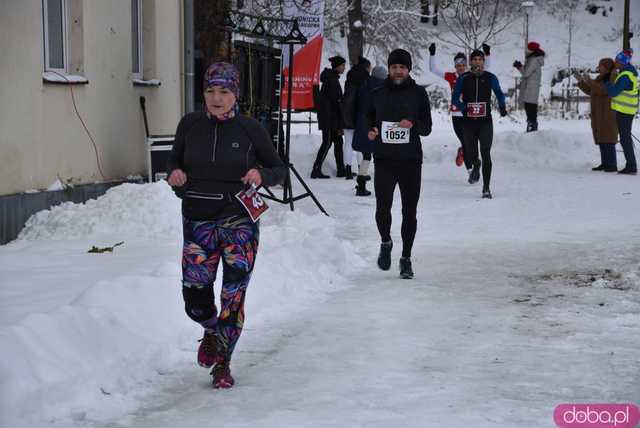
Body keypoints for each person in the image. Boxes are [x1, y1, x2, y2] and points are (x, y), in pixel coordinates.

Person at [166, 62, 286, 389]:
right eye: (210, 90)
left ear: (236, 94)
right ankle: (210, 329)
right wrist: (175, 176)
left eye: (225, 91)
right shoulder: (189, 125)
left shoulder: (250, 129)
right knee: (195, 297)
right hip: (198, 223)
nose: (216, 98)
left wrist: (262, 175)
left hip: (239, 225)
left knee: (233, 295)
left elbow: (279, 168)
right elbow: (174, 162)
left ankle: (224, 364)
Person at [366, 49, 432, 279]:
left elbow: (427, 127)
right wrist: (371, 130)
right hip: (384, 160)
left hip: (411, 161)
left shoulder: (418, 94)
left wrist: (412, 124)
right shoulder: (378, 93)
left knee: (409, 211)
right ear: (390, 69)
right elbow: (367, 118)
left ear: (408, 70)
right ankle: (386, 241)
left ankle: (406, 258)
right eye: (394, 67)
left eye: (402, 67)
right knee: (382, 208)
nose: (398, 71)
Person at [452, 49, 507, 199]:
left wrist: (502, 106)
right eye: (474, 59)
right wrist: (464, 109)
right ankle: (476, 164)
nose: (477, 62)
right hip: (468, 123)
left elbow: (499, 92)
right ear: (470, 62)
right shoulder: (463, 78)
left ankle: (486, 188)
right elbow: (455, 98)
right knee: (472, 153)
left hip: (485, 122)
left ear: (483, 62)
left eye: (479, 59)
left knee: (486, 153)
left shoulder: (490, 77)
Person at [429, 42, 491, 171]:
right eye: (458, 65)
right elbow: (433, 70)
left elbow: (487, 70)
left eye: (463, 65)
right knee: (465, 142)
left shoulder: (471, 75)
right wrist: (432, 54)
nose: (461, 67)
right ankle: (470, 169)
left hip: (468, 114)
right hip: (456, 115)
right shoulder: (451, 77)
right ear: (455, 66)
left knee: (469, 143)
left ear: (466, 65)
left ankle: (470, 164)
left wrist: (487, 55)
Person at [575, 58, 619, 172]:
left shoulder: (612, 78)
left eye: (600, 66)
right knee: (601, 138)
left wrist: (590, 81)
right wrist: (581, 82)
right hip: (599, 112)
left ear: (607, 67)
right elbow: (592, 91)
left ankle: (612, 164)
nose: (598, 67)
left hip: (608, 112)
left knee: (608, 139)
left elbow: (603, 91)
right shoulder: (600, 78)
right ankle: (605, 163)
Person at [352, 65, 387, 196]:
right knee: (378, 156)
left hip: (362, 124)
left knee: (367, 154)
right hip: (375, 126)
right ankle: (377, 186)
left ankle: (361, 183)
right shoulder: (381, 89)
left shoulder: (364, 85)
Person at [312, 55, 347, 178]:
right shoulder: (331, 80)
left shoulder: (332, 78)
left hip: (333, 119)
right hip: (329, 119)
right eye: (343, 65)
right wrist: (343, 119)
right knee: (327, 142)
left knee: (338, 142)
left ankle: (341, 169)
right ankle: (316, 169)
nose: (344, 68)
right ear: (337, 66)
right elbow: (337, 101)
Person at [604, 50, 638, 175]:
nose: (615, 62)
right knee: (625, 138)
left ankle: (631, 166)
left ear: (623, 62)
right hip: (627, 110)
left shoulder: (625, 76)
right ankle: (631, 165)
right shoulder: (628, 72)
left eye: (617, 61)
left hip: (625, 111)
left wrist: (607, 81)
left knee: (625, 139)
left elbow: (613, 92)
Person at [342, 55, 372, 180]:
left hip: (346, 114)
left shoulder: (350, 76)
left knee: (348, 143)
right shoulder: (365, 78)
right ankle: (361, 170)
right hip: (359, 115)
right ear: (366, 67)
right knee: (360, 143)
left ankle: (348, 170)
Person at [513, 41, 545, 132]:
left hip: (531, 87)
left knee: (530, 106)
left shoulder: (534, 59)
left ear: (531, 50)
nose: (526, 50)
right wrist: (521, 66)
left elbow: (526, 73)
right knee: (530, 105)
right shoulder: (533, 58)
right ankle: (531, 124)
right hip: (531, 86)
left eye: (528, 49)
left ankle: (532, 125)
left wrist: (519, 66)